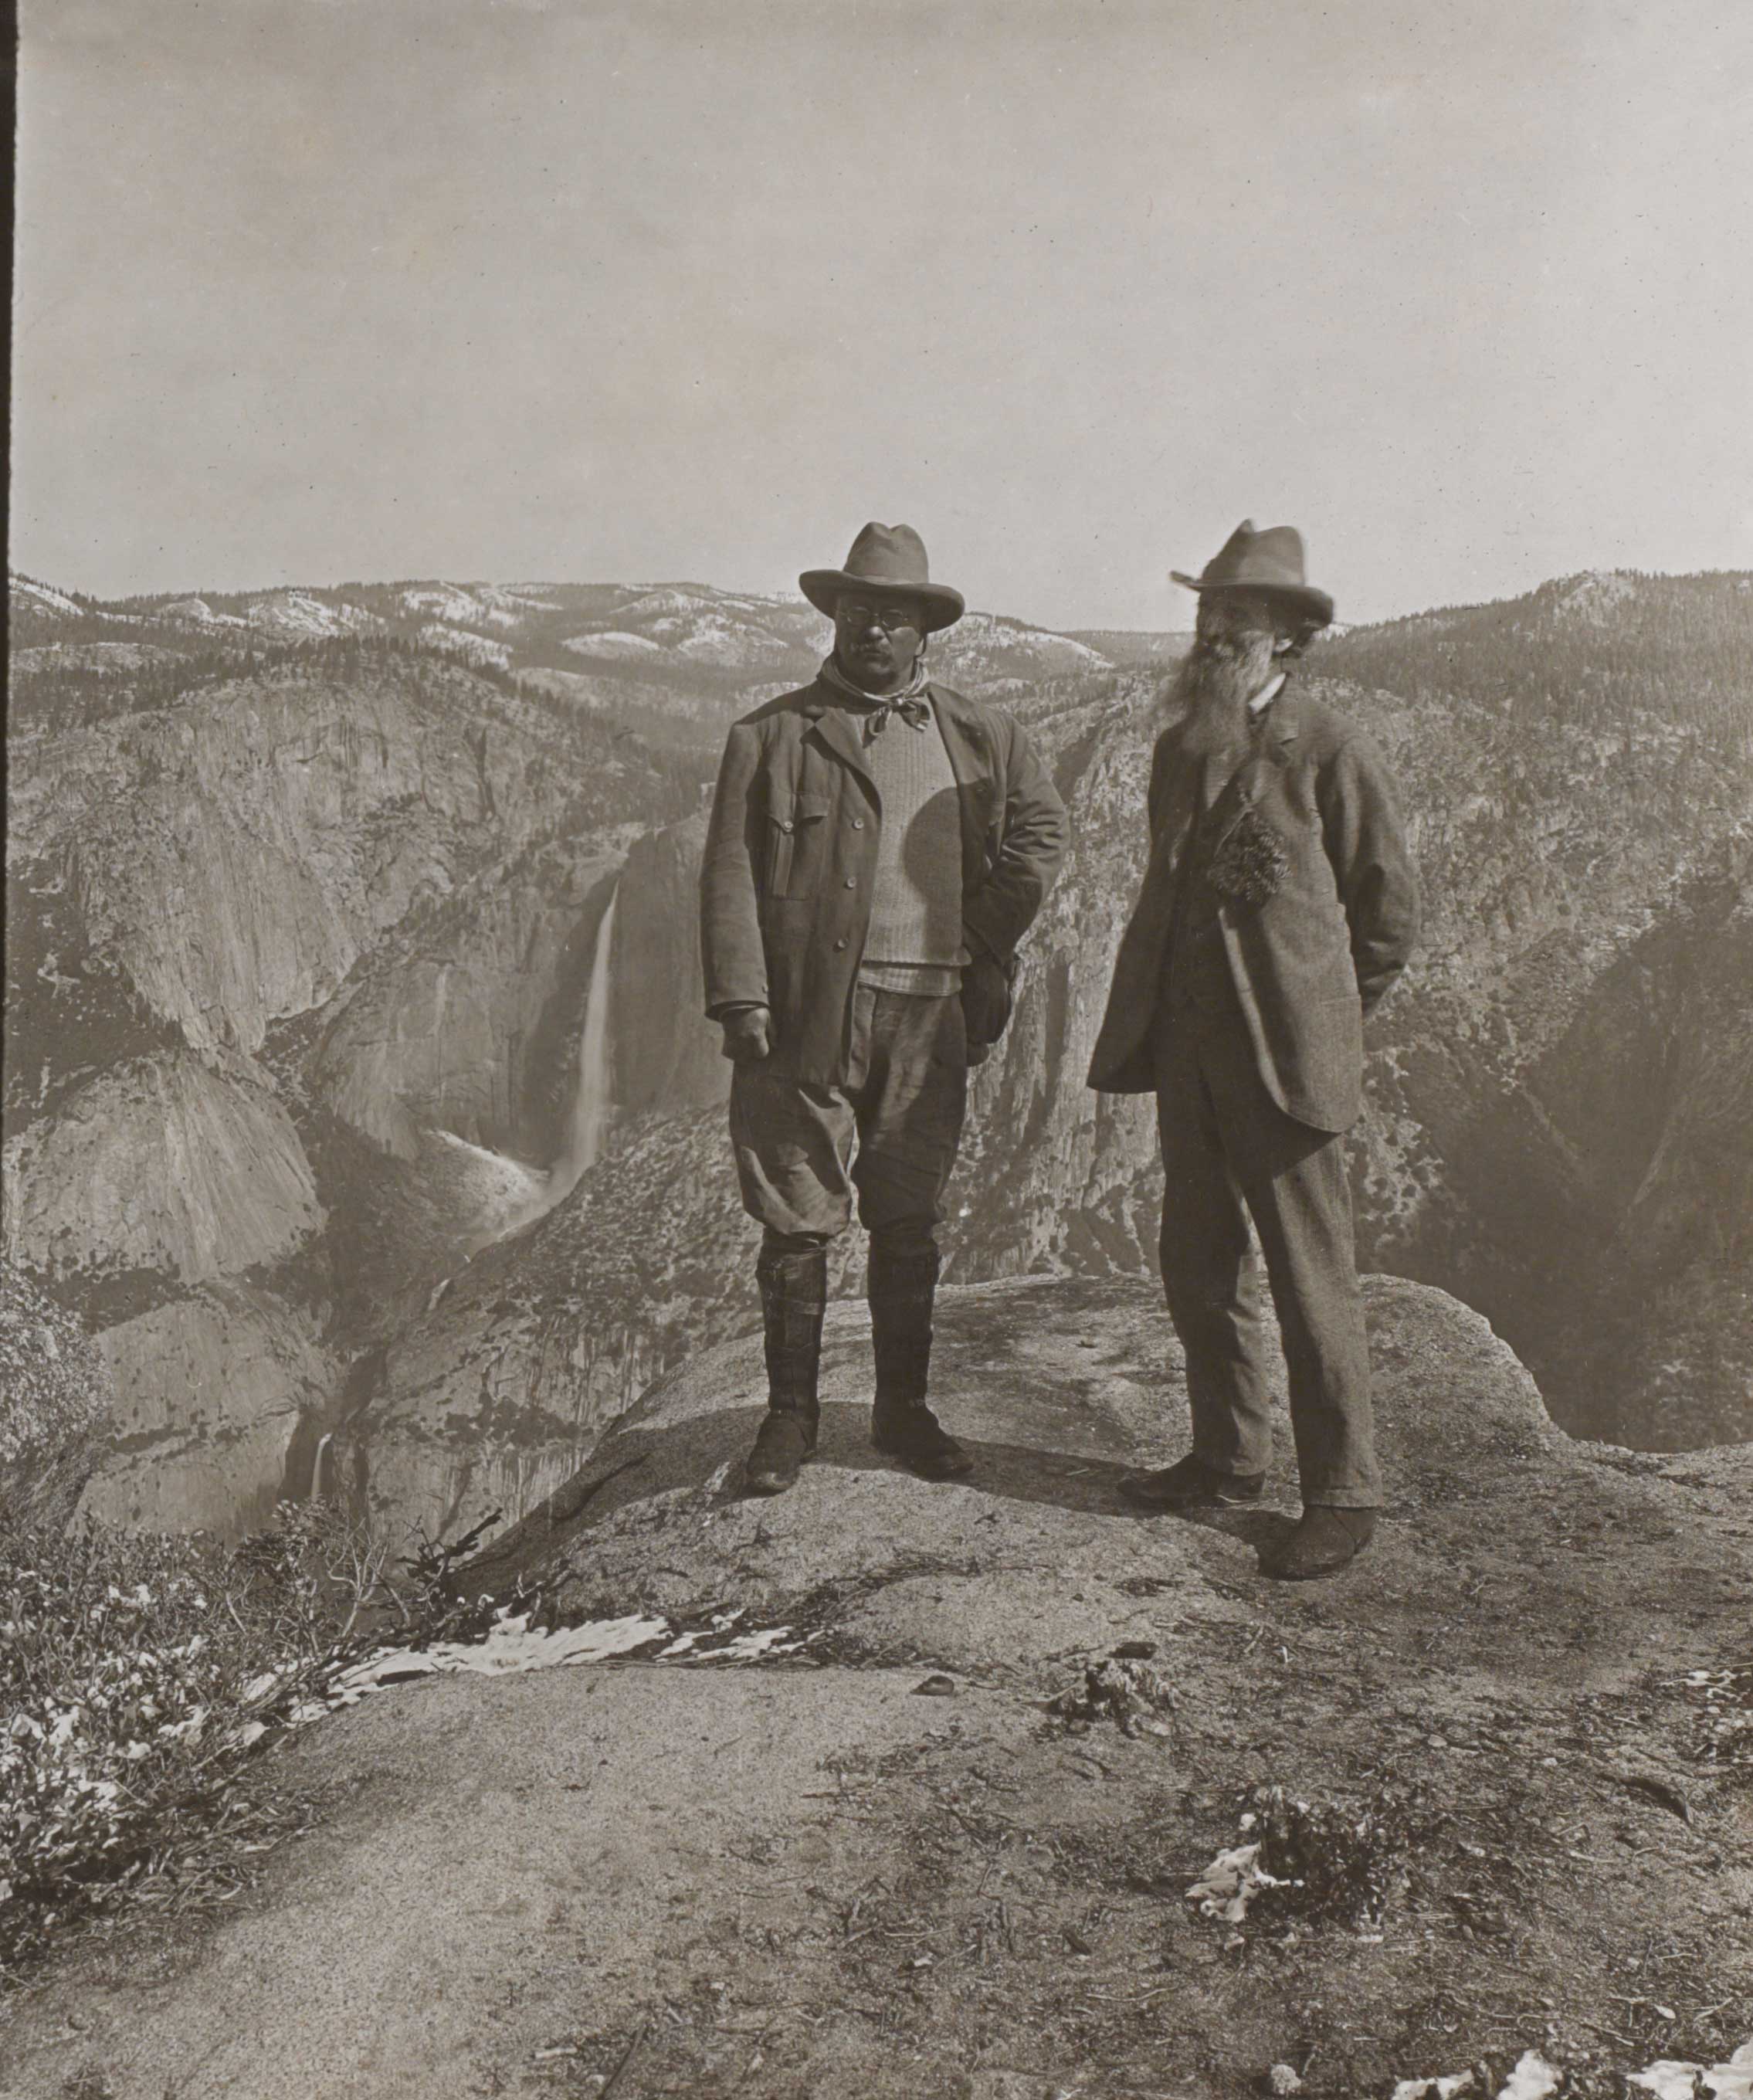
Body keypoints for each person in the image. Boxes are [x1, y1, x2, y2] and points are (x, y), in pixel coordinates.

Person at [700, 521, 1067, 1494]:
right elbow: (731, 873)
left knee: (907, 1221)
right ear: (834, 618)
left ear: (923, 633)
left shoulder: (983, 736)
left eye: (893, 618)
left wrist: (982, 935)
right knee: (796, 1219)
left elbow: (1039, 836)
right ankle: (790, 1420)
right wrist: (741, 997)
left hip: (932, 1013)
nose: (874, 632)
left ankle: (902, 1411)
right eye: (858, 612)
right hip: (805, 1016)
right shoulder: (770, 737)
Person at [1087, 521, 1420, 1578]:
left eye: (1239, 619)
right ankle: (1226, 1456)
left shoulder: (1327, 748)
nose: (1216, 632)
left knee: (1307, 1274)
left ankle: (1342, 1492)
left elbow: (1387, 916)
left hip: (1284, 1061)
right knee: (1196, 1259)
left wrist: (1320, 1013)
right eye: (1208, 615)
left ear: (1288, 638)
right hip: (1186, 1052)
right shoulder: (1181, 745)